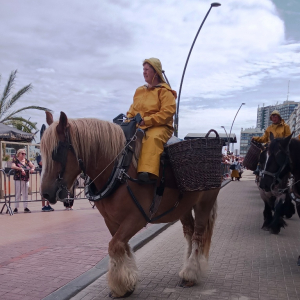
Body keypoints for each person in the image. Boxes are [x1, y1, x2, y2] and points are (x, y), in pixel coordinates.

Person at [126, 58, 176, 182]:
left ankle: (146, 172)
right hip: (139, 125)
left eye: (147, 69)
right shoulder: (139, 91)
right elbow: (132, 110)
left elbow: (167, 113)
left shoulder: (165, 91)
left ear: (156, 72)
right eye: (143, 69)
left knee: (152, 138)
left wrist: (147, 121)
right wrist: (127, 121)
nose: (144, 72)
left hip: (161, 126)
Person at [11, 149, 35, 213]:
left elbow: (32, 165)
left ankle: (25, 207)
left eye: (25, 154)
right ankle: (16, 207)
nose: (24, 155)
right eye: (22, 153)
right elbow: (13, 166)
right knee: (18, 193)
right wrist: (20, 169)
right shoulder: (16, 160)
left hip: (26, 179)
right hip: (18, 179)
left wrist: (32, 168)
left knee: (25, 194)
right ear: (19, 154)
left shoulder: (26, 160)